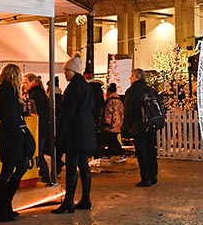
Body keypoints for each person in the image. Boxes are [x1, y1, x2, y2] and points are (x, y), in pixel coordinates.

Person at [51, 54, 98, 213]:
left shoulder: (73, 89)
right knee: (83, 165)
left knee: (71, 166)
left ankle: (69, 201)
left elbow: (68, 114)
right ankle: (86, 198)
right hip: (86, 130)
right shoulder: (85, 86)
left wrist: (61, 134)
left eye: (66, 70)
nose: (64, 73)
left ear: (73, 71)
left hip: (75, 132)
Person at [0, 64, 28, 222]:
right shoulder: (10, 92)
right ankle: (2, 207)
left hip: (6, 134)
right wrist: (20, 136)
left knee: (12, 168)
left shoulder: (2, 91)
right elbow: (12, 116)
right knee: (12, 169)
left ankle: (4, 206)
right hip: (11, 136)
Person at [123, 68, 159, 187]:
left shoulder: (132, 91)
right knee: (151, 150)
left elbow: (129, 110)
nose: (130, 79)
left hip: (138, 126)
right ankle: (153, 175)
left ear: (136, 77)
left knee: (142, 152)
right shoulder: (151, 90)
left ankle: (146, 177)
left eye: (131, 76)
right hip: (151, 124)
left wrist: (126, 125)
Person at [23, 73, 53, 185]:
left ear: (32, 82)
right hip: (43, 126)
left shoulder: (35, 95)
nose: (24, 85)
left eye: (26, 82)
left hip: (39, 127)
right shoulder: (38, 93)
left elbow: (35, 112)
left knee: (38, 153)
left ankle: (46, 176)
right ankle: (45, 175)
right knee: (39, 152)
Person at [99, 83, 126, 161]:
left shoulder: (110, 101)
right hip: (118, 122)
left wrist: (107, 123)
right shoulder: (119, 100)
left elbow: (108, 113)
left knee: (112, 139)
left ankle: (120, 153)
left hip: (112, 123)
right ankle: (109, 154)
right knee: (112, 139)